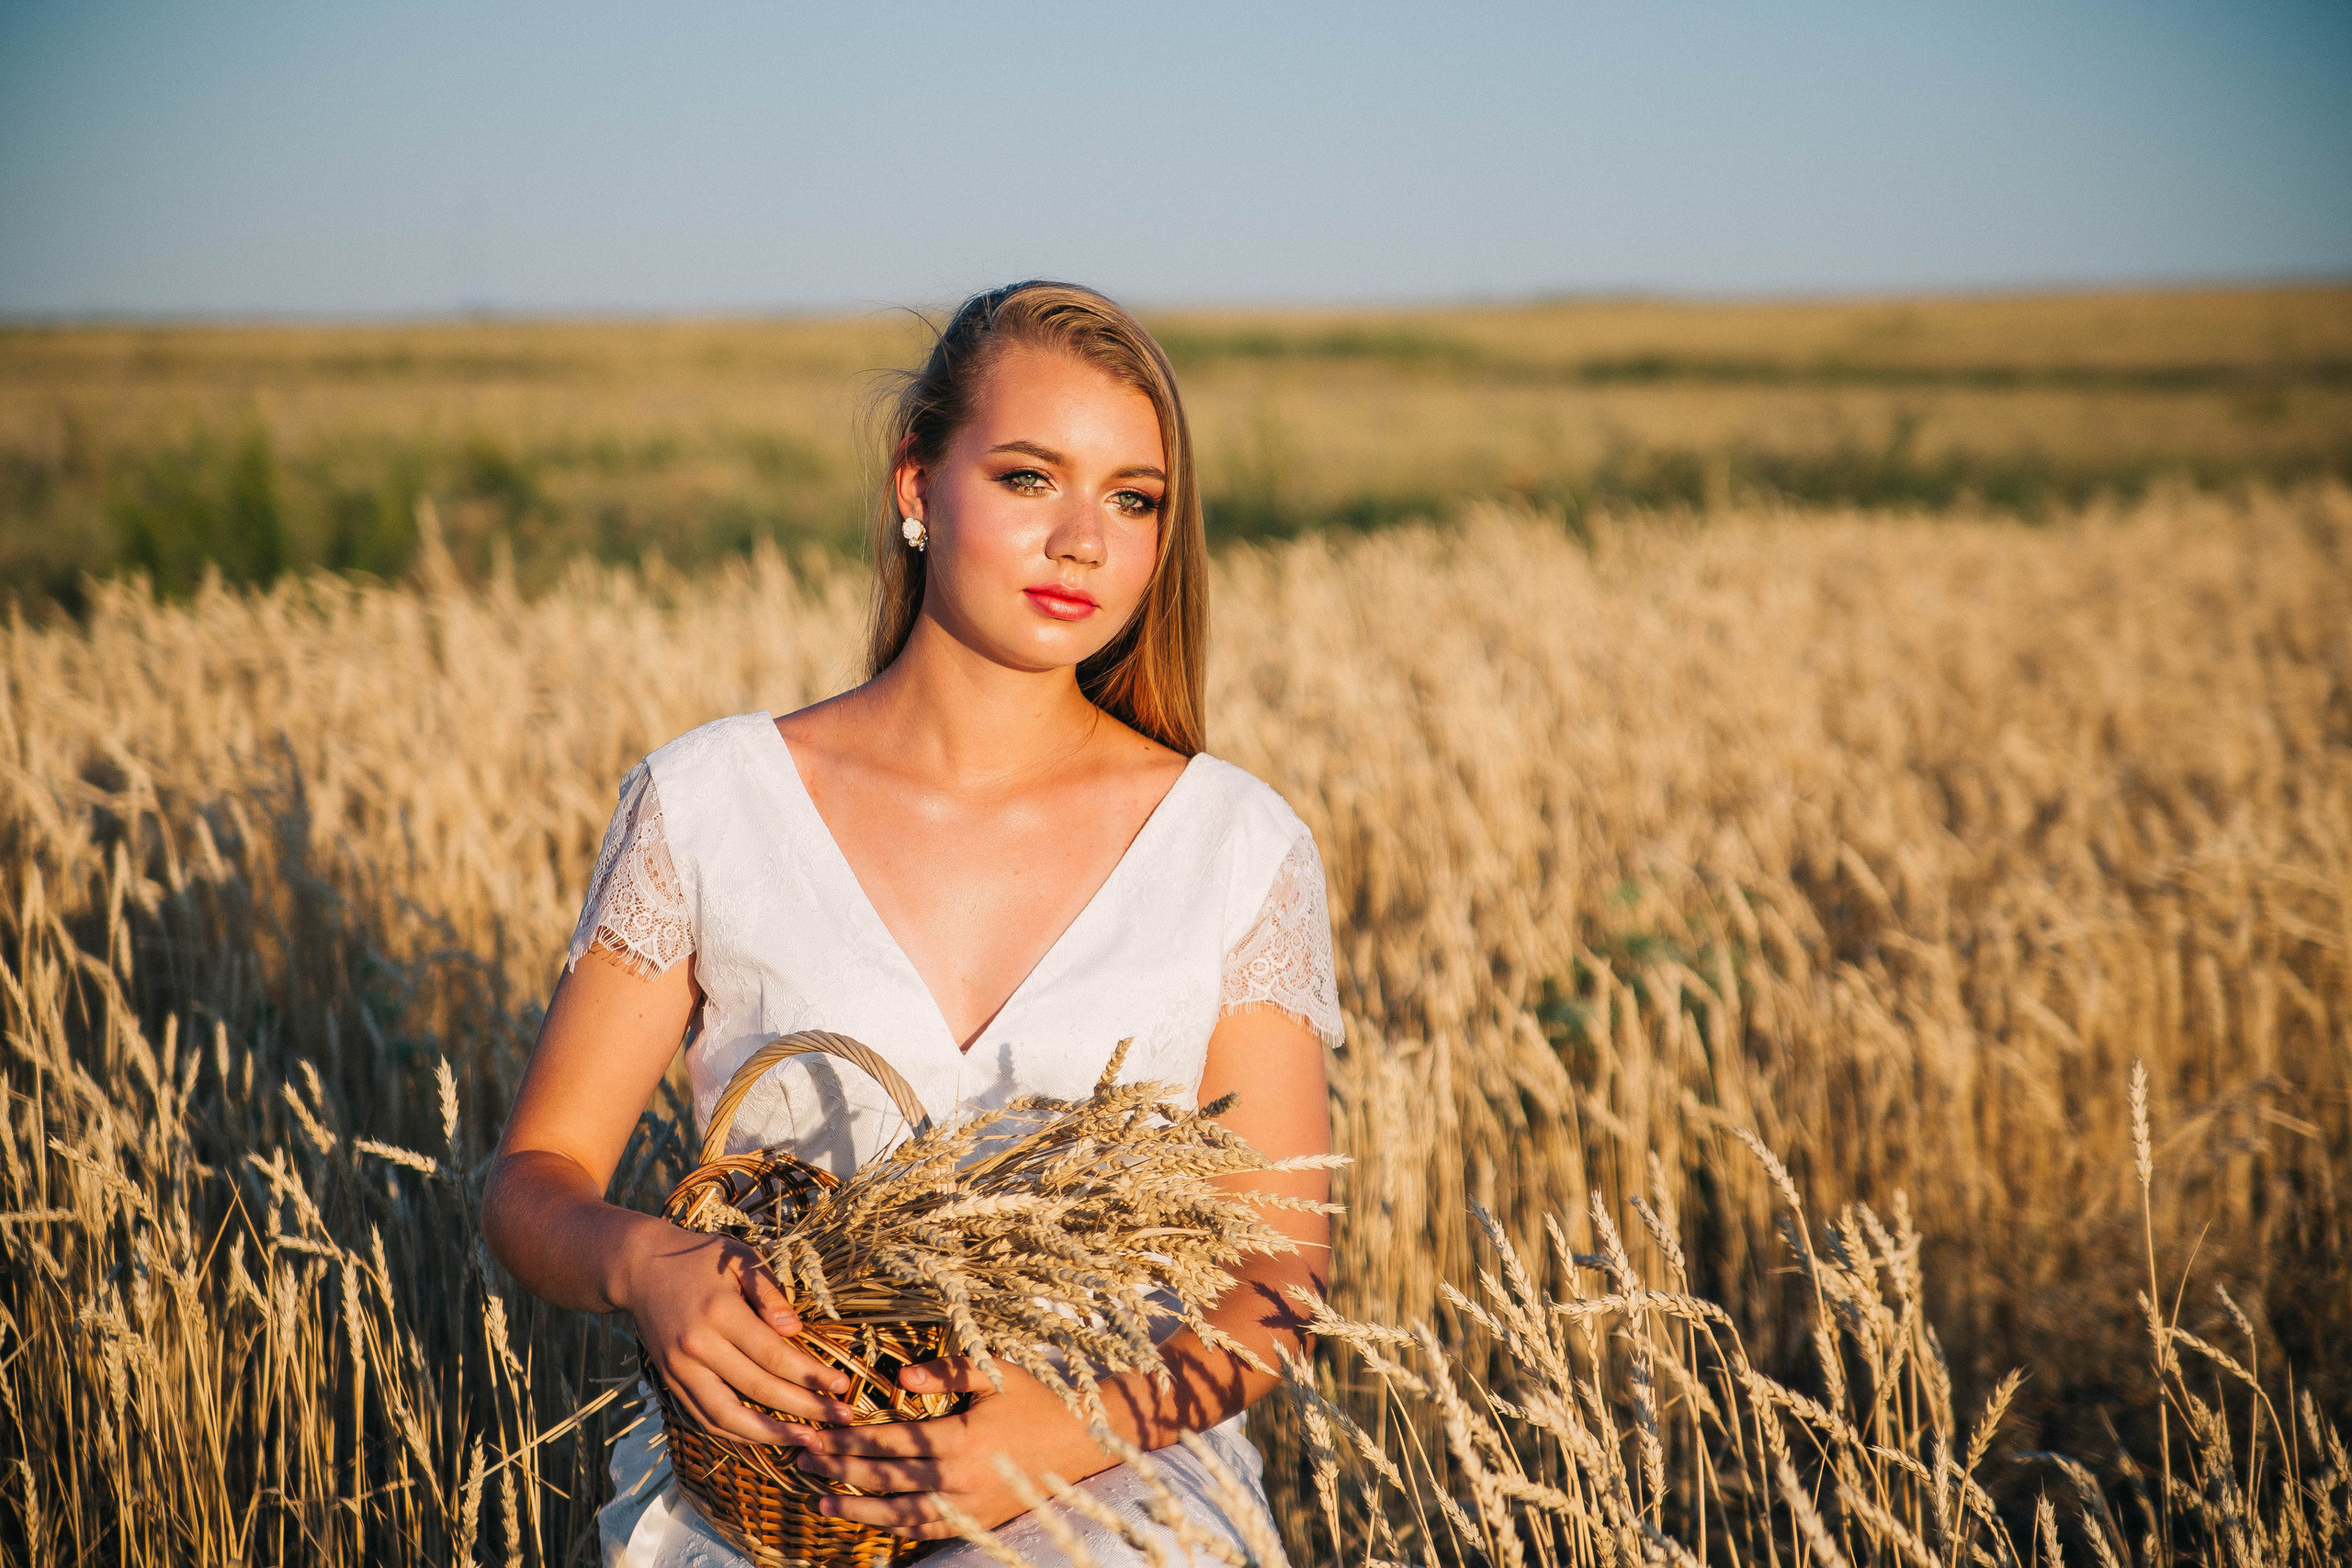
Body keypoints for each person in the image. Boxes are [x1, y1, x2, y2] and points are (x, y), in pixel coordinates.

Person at [482, 281, 1342, 1568]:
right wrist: (645, 1268)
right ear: (916, 485)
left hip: (1115, 1479)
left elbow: (1279, 1274)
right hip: (773, 1475)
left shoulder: (1235, 845)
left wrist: (1059, 1434)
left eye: (1133, 499)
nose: (1082, 542)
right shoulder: (711, 803)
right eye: (1028, 478)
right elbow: (533, 1178)